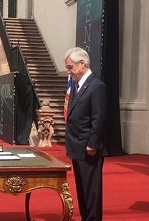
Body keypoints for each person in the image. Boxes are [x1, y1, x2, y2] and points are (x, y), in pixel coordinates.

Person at [63, 47, 107, 221]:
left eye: (70, 67)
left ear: (82, 63)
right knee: (82, 188)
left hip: (88, 147)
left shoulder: (97, 86)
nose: (69, 71)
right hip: (76, 145)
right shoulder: (75, 85)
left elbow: (99, 117)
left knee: (91, 190)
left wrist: (93, 143)